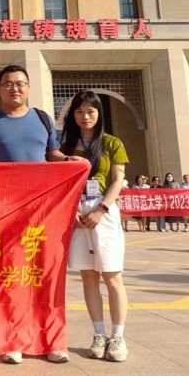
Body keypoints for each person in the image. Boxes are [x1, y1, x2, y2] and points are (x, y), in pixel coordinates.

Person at [0, 65, 80, 365]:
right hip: (4, 210)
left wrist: (69, 160)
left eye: (20, 83)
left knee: (44, 273)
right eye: (8, 84)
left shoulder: (42, 118)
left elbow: (52, 154)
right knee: (9, 275)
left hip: (42, 210)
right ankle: (12, 339)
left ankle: (51, 340)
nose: (15, 88)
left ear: (29, 87)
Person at [62, 90, 129, 363]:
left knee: (112, 277)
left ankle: (118, 337)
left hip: (104, 211)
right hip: (77, 212)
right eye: (79, 111)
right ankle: (99, 334)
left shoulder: (112, 143)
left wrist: (102, 209)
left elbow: (118, 180)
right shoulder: (67, 146)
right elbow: (64, 183)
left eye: (90, 111)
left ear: (99, 113)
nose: (85, 116)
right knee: (89, 278)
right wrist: (72, 212)